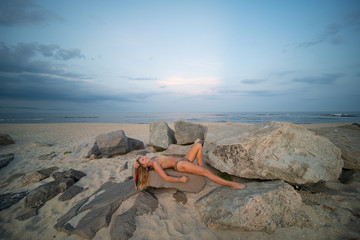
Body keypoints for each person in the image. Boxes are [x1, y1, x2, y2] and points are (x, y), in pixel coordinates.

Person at [134, 142, 246, 191]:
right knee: (207, 173)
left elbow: (138, 157)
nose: (145, 157)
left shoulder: (151, 160)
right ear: (144, 166)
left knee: (198, 145)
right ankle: (232, 184)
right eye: (143, 160)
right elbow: (166, 178)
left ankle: (201, 169)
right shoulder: (154, 164)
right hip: (180, 165)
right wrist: (180, 179)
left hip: (184, 159)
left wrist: (136, 163)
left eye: (144, 157)